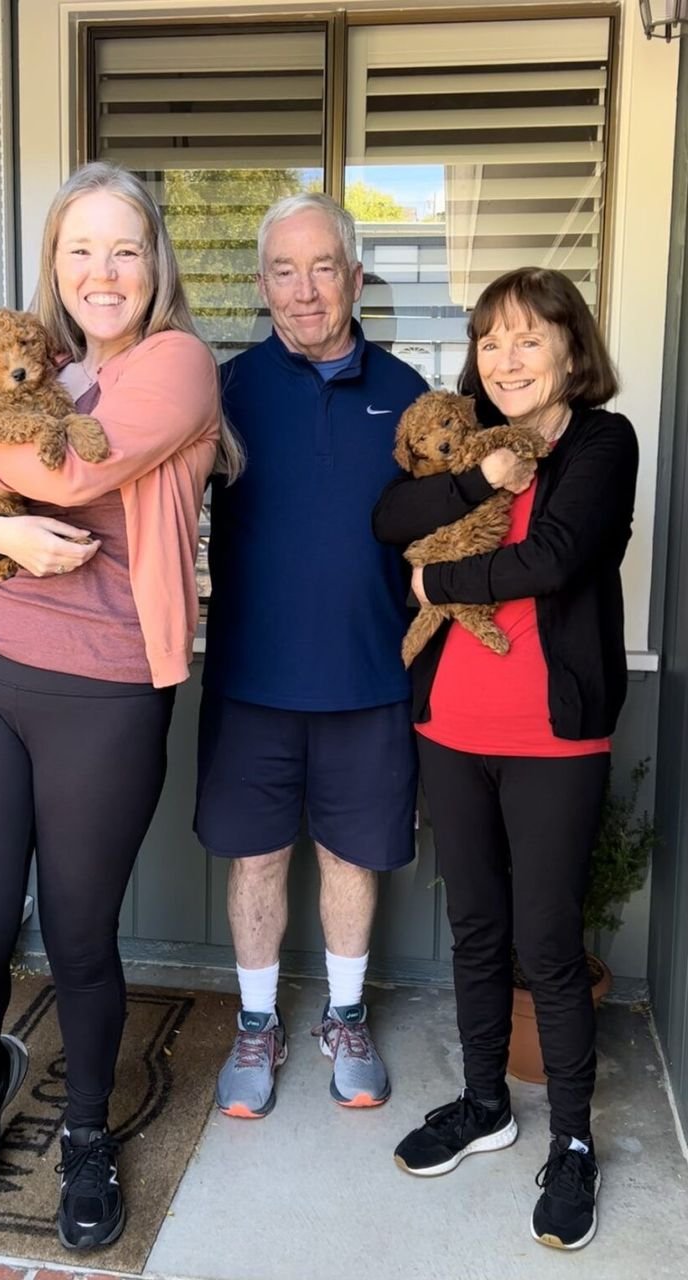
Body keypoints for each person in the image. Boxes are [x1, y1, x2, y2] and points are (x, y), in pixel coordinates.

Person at [0, 161, 238, 1251]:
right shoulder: (32, 366)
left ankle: (88, 1132)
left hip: (104, 690)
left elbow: (55, 472)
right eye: (80, 249)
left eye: (125, 248)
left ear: (156, 265)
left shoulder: (178, 364)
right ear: (54, 264)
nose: (103, 272)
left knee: (81, 936)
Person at [373, 267, 638, 1251]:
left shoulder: (604, 442)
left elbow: (555, 557)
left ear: (573, 351)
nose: (507, 358)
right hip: (451, 726)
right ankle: (486, 1103)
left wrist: (437, 575)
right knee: (476, 929)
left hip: (554, 738)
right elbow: (386, 518)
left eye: (529, 338)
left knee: (548, 943)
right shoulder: (475, 449)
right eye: (490, 340)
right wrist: (472, 485)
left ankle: (571, 1140)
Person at [195, 193, 427, 1119]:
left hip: (370, 679)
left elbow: (446, 535)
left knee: (348, 858)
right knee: (253, 861)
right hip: (251, 680)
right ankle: (258, 1024)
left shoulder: (408, 397)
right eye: (283, 271)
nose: (303, 289)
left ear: (355, 277)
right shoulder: (220, 392)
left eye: (322, 267)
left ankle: (344, 1016)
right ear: (260, 285)